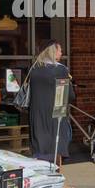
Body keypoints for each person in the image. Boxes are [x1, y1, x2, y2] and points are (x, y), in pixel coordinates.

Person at [26, 40, 74, 178]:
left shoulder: (34, 69)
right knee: (56, 146)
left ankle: (40, 179)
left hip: (36, 115)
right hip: (55, 114)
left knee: (40, 148)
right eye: (59, 50)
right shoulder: (61, 69)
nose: (62, 52)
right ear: (53, 51)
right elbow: (69, 95)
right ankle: (57, 181)